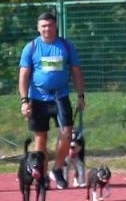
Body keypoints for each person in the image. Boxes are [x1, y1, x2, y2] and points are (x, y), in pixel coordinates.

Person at [17, 10, 86, 191]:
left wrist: (80, 96)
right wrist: (24, 101)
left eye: (50, 25)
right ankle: (43, 175)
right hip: (37, 98)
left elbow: (76, 71)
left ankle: (57, 169)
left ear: (56, 27)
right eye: (43, 26)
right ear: (38, 29)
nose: (47, 29)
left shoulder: (66, 46)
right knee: (41, 139)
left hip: (60, 97)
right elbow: (24, 75)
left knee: (66, 133)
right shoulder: (31, 47)